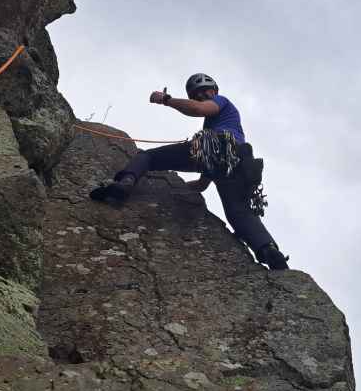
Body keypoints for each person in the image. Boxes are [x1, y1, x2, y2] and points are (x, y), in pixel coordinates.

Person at [90, 73, 289, 270]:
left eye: (205, 91)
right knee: (240, 212)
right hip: (234, 163)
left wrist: (166, 100)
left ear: (215, 91)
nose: (201, 96)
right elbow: (202, 185)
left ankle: (125, 184)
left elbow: (197, 109)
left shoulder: (222, 102)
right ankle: (268, 250)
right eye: (197, 94)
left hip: (215, 147)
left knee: (148, 157)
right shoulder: (228, 128)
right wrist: (171, 187)